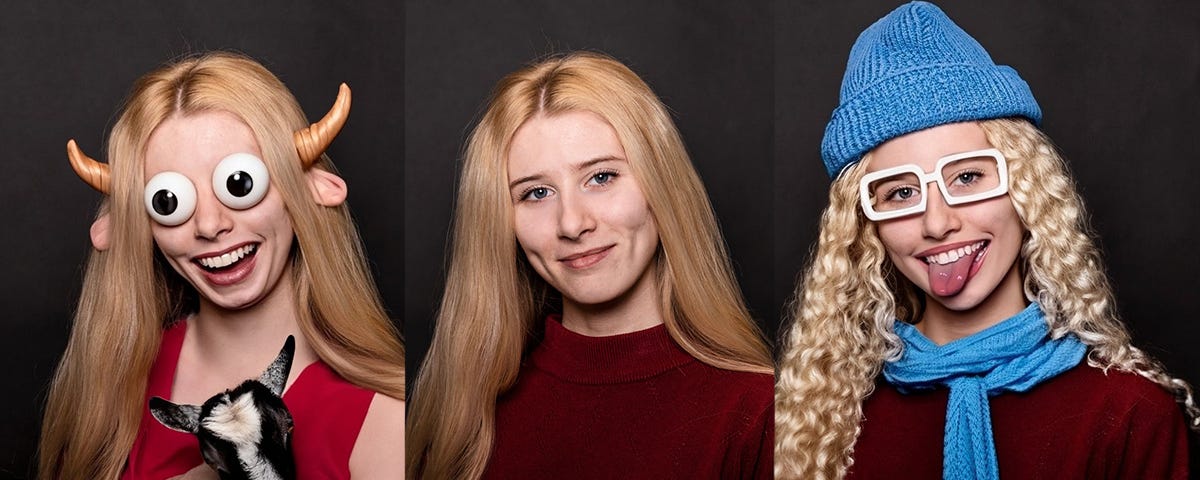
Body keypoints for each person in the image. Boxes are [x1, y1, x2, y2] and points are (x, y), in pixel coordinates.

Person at [774, 3, 1197, 479]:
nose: (937, 222)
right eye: (901, 192)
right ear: (865, 225)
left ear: (1026, 186)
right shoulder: (824, 423)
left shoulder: (1129, 417)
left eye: (969, 177)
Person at [406, 51, 774, 479]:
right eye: (536, 193)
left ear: (661, 185)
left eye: (601, 177)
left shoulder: (757, 412)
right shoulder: (463, 415)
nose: (572, 223)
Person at [39, 52, 405, 479]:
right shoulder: (110, 387)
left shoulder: (385, 423)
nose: (211, 226)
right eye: (169, 203)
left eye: (239, 185)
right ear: (133, 226)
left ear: (311, 189)